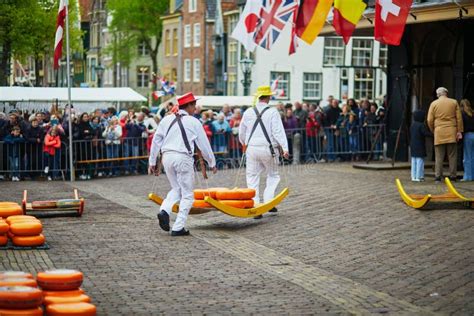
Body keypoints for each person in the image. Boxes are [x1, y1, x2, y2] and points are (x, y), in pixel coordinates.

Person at [149, 92, 216, 236]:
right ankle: (178, 227)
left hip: (167, 157)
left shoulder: (166, 120)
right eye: (194, 105)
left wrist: (152, 161)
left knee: (176, 188)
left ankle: (164, 210)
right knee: (187, 195)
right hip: (183, 158)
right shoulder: (194, 121)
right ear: (190, 106)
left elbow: (156, 141)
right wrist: (212, 162)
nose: (196, 108)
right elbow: (204, 145)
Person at [239, 86, 289, 219]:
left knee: (252, 177)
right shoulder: (272, 112)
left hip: (252, 148)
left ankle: (255, 205)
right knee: (273, 175)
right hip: (268, 148)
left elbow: (241, 131)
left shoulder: (248, 111)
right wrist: (285, 148)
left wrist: (243, 143)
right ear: (268, 97)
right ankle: (268, 202)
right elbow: (278, 131)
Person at [427, 87, 464, 182]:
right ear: (446, 93)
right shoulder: (454, 102)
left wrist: (433, 130)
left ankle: (438, 177)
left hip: (439, 132)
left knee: (439, 156)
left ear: (438, 94)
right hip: (452, 131)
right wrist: (459, 131)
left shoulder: (434, 104)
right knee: (452, 156)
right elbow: (459, 118)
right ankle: (453, 176)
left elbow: (429, 120)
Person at [410, 110, 432, 182]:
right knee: (420, 161)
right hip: (420, 146)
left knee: (413, 161)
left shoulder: (412, 125)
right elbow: (425, 133)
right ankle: (419, 176)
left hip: (413, 145)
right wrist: (433, 134)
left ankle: (413, 176)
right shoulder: (421, 125)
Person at [460, 99, 474, 181]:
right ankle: (473, 176)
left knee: (467, 157)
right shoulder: (473, 113)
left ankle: (467, 177)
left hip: (468, 135)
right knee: (473, 157)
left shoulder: (462, 114)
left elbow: (462, 126)